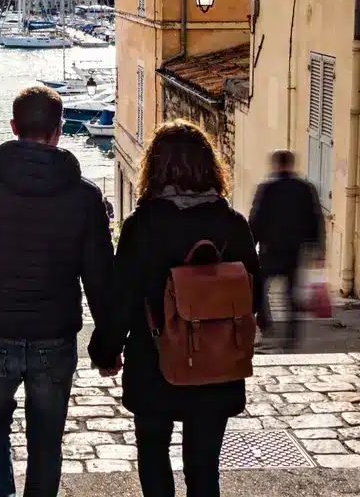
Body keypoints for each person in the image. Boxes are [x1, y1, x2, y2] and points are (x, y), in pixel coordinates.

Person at [0, 86, 112, 497]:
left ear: (13, 127)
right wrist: (108, 345)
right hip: (54, 333)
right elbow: (100, 277)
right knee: (47, 437)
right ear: (58, 131)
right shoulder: (85, 196)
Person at [90, 120, 262, 497]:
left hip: (155, 362)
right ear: (209, 167)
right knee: (204, 469)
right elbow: (255, 294)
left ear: (155, 168)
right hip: (217, 362)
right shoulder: (232, 224)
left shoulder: (143, 225)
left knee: (153, 453)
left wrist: (106, 351)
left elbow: (122, 296)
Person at [249, 149, 325, 352]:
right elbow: (316, 218)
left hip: (270, 249)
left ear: (276, 164)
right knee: (291, 293)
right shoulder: (305, 188)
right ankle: (291, 337)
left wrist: (250, 244)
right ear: (291, 164)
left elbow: (256, 218)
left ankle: (265, 323)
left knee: (260, 288)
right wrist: (318, 248)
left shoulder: (266, 188)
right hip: (294, 249)